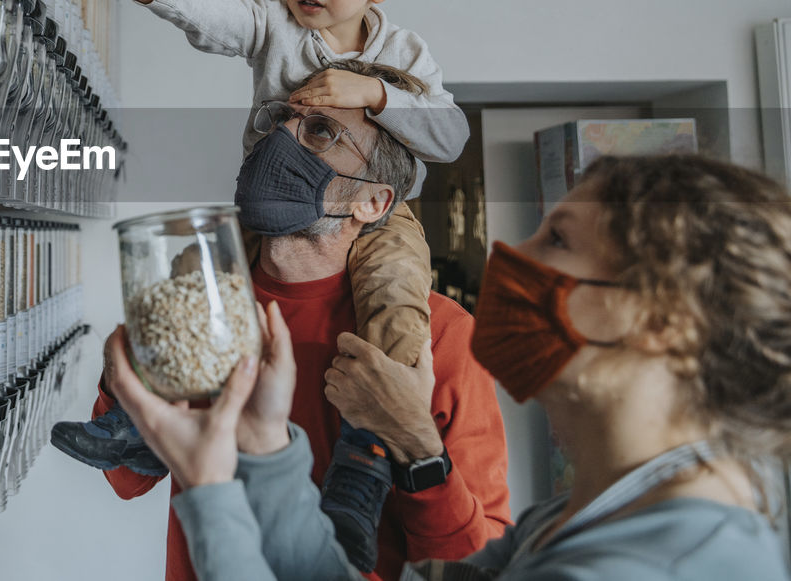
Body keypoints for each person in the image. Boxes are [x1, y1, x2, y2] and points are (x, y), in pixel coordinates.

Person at [111, 153, 791, 581]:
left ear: (665, 322)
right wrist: (262, 446)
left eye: (557, 239)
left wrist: (210, 487)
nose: (505, 252)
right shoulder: (570, 519)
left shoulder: (655, 565)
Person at [49, 0, 470, 567]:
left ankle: (362, 472)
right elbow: (209, 11)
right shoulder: (276, 25)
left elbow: (449, 133)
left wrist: (375, 92)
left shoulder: (404, 55)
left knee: (396, 303)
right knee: (191, 286)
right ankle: (133, 423)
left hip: (384, 224)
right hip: (264, 207)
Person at [78, 82, 511, 581]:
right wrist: (121, 380)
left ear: (372, 201)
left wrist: (417, 446)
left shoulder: (443, 337)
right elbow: (127, 478)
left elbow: (476, 563)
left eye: (321, 132)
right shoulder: (203, 303)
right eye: (280, 119)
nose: (281, 137)